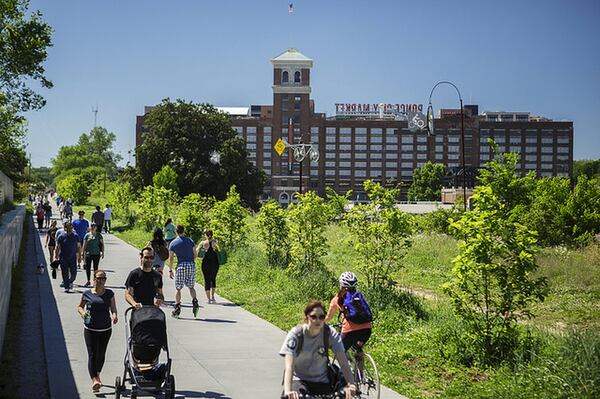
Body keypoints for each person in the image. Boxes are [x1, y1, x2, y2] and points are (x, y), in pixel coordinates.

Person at [280, 301, 356, 399]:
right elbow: (289, 366)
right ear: (307, 317)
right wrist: (288, 391)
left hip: (322, 382)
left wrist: (351, 384)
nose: (318, 320)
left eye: (321, 317)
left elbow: (344, 363)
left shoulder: (329, 333)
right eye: (313, 317)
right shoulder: (296, 335)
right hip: (299, 380)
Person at [77, 269, 118, 393]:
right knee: (92, 354)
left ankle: (98, 374)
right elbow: (79, 307)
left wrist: (115, 315)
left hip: (105, 328)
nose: (101, 281)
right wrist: (83, 314)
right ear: (94, 279)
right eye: (99, 278)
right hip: (90, 329)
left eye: (104, 278)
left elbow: (113, 308)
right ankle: (94, 379)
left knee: (101, 354)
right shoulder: (87, 294)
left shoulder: (109, 293)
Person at [326, 272, 373, 360]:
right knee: (358, 349)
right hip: (366, 330)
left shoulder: (338, 298)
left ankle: (343, 372)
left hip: (349, 331)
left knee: (339, 351)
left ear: (341, 285)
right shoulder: (359, 296)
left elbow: (329, 317)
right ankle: (360, 373)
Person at [168, 225, 199, 318]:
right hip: (191, 265)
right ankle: (195, 302)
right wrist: (190, 260)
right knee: (191, 287)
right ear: (183, 231)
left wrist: (170, 269)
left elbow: (171, 258)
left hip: (181, 266)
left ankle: (177, 307)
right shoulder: (190, 240)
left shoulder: (173, 243)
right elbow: (196, 254)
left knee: (178, 288)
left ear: (176, 232)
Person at [55, 220, 81, 292]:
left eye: (70, 227)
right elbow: (58, 247)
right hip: (63, 258)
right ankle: (67, 286)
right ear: (65, 228)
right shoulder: (61, 236)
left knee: (74, 274)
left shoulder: (76, 236)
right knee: (64, 272)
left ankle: (69, 282)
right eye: (67, 227)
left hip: (73, 257)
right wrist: (56, 256)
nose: (69, 229)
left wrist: (79, 257)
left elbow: (79, 247)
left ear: (72, 228)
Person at [197, 229, 220, 303]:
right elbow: (218, 250)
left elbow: (197, 252)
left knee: (206, 280)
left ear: (206, 235)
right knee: (213, 279)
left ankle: (208, 299)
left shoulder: (202, 243)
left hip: (205, 263)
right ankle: (213, 297)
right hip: (214, 263)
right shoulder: (214, 242)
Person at [81, 223, 104, 287]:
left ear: (96, 227)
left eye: (94, 226)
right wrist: (83, 253)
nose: (93, 227)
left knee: (95, 268)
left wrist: (103, 252)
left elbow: (102, 244)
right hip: (89, 253)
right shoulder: (87, 235)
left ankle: (95, 281)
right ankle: (88, 280)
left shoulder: (99, 235)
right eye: (92, 226)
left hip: (96, 253)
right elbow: (84, 245)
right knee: (88, 267)